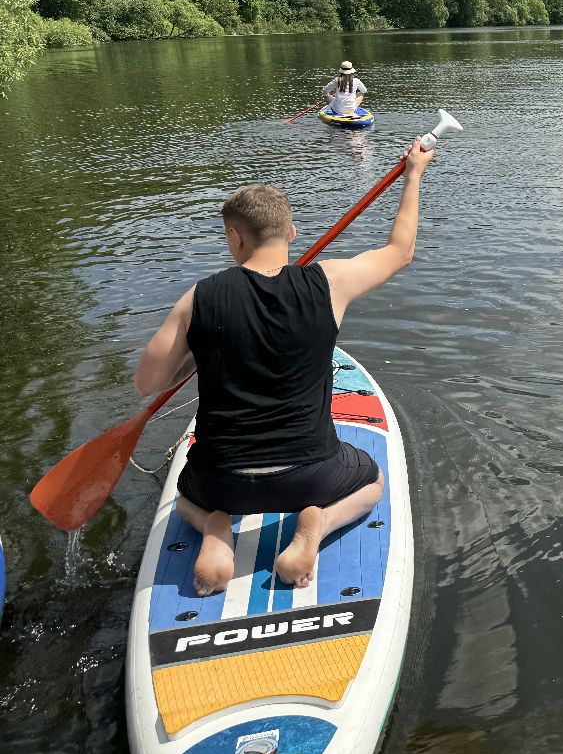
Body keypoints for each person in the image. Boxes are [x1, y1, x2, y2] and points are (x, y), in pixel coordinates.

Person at [133, 139, 434, 596]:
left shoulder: (199, 298)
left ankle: (215, 529)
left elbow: (147, 383)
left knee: (184, 502)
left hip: (220, 482)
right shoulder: (330, 282)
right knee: (372, 482)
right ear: (291, 233)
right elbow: (400, 251)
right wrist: (413, 175)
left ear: (234, 237)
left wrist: (198, 350)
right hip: (309, 474)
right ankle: (317, 522)